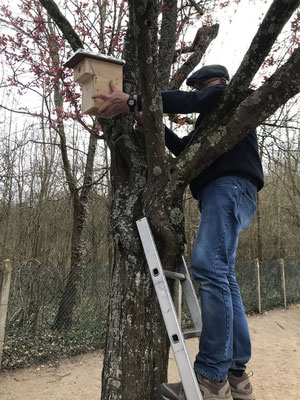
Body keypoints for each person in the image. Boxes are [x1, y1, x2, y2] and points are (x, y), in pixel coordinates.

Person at [94, 65, 264, 400]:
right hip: (231, 193)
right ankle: (236, 376)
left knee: (208, 267)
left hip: (227, 189)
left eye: (202, 89)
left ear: (212, 85)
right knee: (224, 276)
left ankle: (211, 379)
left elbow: (196, 100)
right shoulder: (219, 123)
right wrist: (150, 123)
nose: (202, 94)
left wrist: (132, 101)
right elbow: (186, 147)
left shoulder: (230, 94)